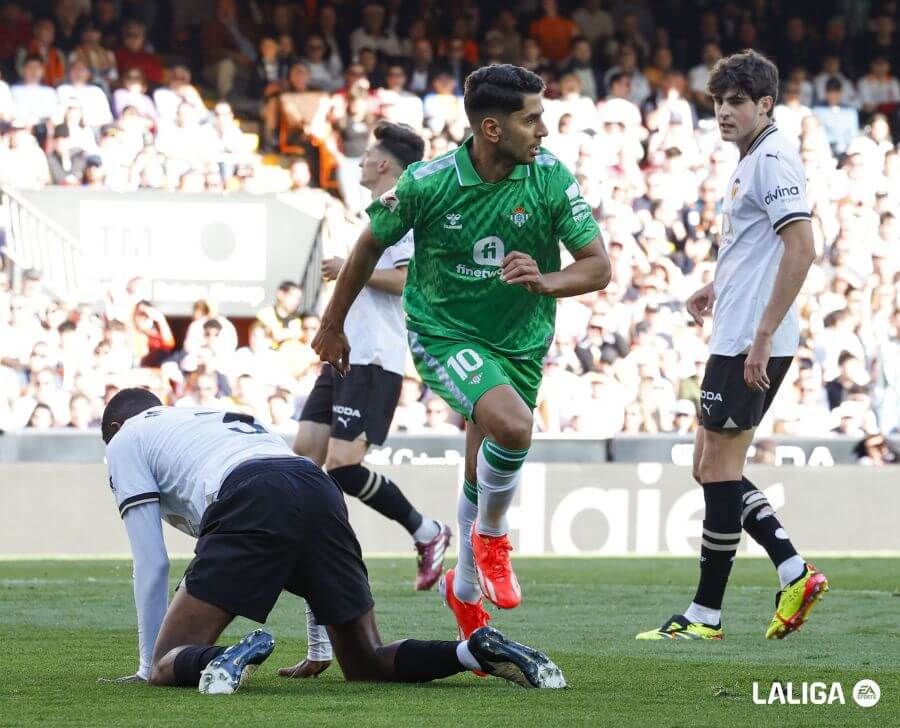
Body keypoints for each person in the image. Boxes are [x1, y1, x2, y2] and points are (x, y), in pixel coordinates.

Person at [312, 64, 610, 640]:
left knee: (481, 461)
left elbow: (598, 267)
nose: (544, 130)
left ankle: (465, 589)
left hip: (520, 339)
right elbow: (368, 244)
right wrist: (332, 324)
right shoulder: (427, 183)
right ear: (492, 129)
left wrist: (547, 280)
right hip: (445, 332)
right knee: (514, 427)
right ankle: (492, 537)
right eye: (532, 119)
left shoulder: (550, 176)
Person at [99, 388, 566, 692]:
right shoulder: (203, 417)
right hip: (317, 487)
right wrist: (319, 649)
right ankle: (472, 650)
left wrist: (145, 665)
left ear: (115, 430)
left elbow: (152, 562)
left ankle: (228, 655)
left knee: (165, 662)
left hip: (251, 492)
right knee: (366, 662)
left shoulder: (126, 439)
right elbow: (295, 542)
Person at [636, 50, 828, 642]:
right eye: (718, 101)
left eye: (736, 102)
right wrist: (717, 285)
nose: (723, 111)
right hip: (737, 331)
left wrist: (763, 335)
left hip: (751, 337)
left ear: (765, 104)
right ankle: (790, 570)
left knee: (719, 469)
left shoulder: (771, 157)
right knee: (708, 467)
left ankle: (708, 613)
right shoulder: (752, 158)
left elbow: (802, 246)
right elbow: (759, 248)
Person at [292, 121, 450, 594]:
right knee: (304, 456)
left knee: (342, 465)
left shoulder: (403, 211)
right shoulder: (376, 214)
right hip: (346, 353)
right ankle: (307, 550)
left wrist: (349, 269)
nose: (360, 163)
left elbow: (406, 281)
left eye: (365, 157)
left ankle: (426, 530)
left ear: (383, 164)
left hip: (375, 356)